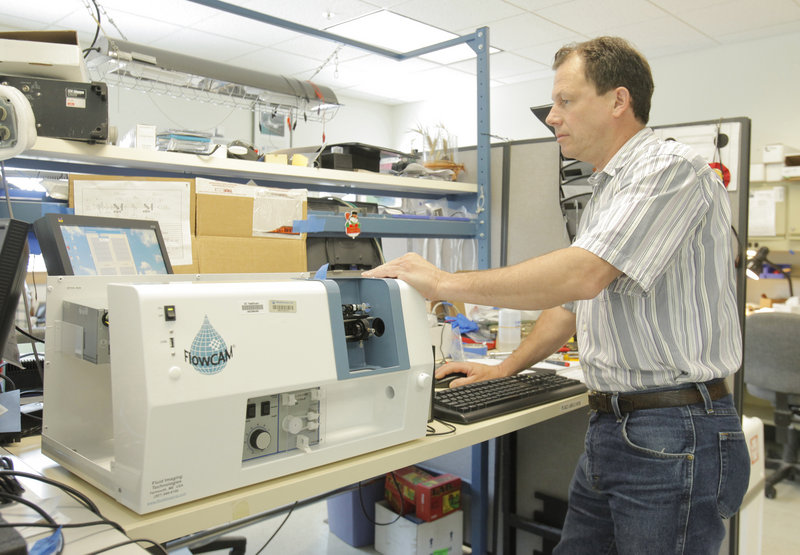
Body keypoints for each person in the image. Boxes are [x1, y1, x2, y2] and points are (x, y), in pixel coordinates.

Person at [363, 36, 750, 554]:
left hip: (673, 430)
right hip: (614, 426)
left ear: (618, 100)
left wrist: (444, 284)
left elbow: (582, 275)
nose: (551, 117)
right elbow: (571, 308)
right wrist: (505, 368)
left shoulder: (669, 171)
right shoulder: (607, 190)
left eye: (566, 100)